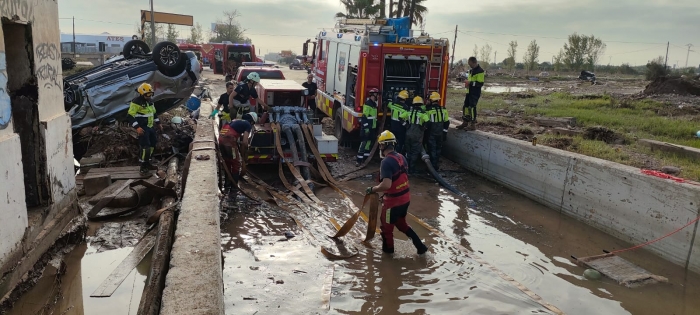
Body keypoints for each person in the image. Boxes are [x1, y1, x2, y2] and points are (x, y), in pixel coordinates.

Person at [366, 130, 428, 255]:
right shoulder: (401, 157)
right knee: (402, 224)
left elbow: (386, 184)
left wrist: (373, 189)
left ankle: (388, 257)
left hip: (392, 204)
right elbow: (398, 180)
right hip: (405, 199)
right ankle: (421, 248)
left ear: (383, 145)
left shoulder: (386, 162)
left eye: (380, 145)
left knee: (386, 230)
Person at [128, 83, 162, 175]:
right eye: (147, 94)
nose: (149, 96)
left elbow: (154, 113)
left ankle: (148, 162)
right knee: (145, 147)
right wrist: (137, 127)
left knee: (152, 145)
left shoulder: (150, 102)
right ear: (142, 94)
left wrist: (158, 123)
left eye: (151, 94)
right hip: (143, 128)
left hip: (150, 127)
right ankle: (143, 166)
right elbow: (130, 116)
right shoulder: (136, 102)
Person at [219, 112, 258, 185]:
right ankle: (234, 186)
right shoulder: (248, 125)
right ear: (252, 121)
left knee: (227, 161)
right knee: (235, 163)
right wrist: (246, 150)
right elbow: (244, 142)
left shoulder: (235, 120)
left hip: (221, 138)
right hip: (229, 141)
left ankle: (227, 184)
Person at [400, 96, 428, 175]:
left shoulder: (409, 111)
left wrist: (406, 125)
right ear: (421, 104)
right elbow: (427, 121)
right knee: (415, 152)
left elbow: (400, 118)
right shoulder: (423, 113)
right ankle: (412, 169)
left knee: (408, 151)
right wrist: (423, 128)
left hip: (408, 133)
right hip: (418, 134)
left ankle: (406, 168)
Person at [457, 57, 484, 131]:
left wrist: (470, 83)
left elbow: (480, 83)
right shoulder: (471, 71)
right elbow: (470, 80)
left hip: (475, 93)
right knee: (465, 106)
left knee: (472, 108)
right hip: (469, 92)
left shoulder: (480, 71)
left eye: (470, 64)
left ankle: (472, 124)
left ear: (474, 62)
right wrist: (467, 83)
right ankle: (465, 122)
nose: (469, 65)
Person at [424, 92, 449, 170]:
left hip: (431, 133)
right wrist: (445, 133)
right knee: (438, 149)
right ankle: (436, 165)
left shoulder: (428, 110)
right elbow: (447, 122)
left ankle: (432, 167)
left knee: (432, 149)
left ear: (431, 100)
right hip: (440, 133)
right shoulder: (443, 109)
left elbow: (426, 123)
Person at [357, 88, 379, 166]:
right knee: (363, 143)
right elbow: (364, 117)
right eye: (376, 94)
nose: (377, 96)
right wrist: (366, 128)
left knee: (369, 143)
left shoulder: (374, 104)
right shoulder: (367, 104)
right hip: (367, 128)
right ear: (373, 95)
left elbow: (374, 117)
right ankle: (359, 160)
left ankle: (365, 159)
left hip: (372, 128)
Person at [387, 90, 409, 154]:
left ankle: (392, 152)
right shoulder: (405, 107)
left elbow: (387, 103)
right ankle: (398, 154)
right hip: (401, 127)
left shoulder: (393, 104)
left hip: (393, 126)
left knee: (394, 141)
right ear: (405, 99)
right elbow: (407, 118)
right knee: (400, 142)